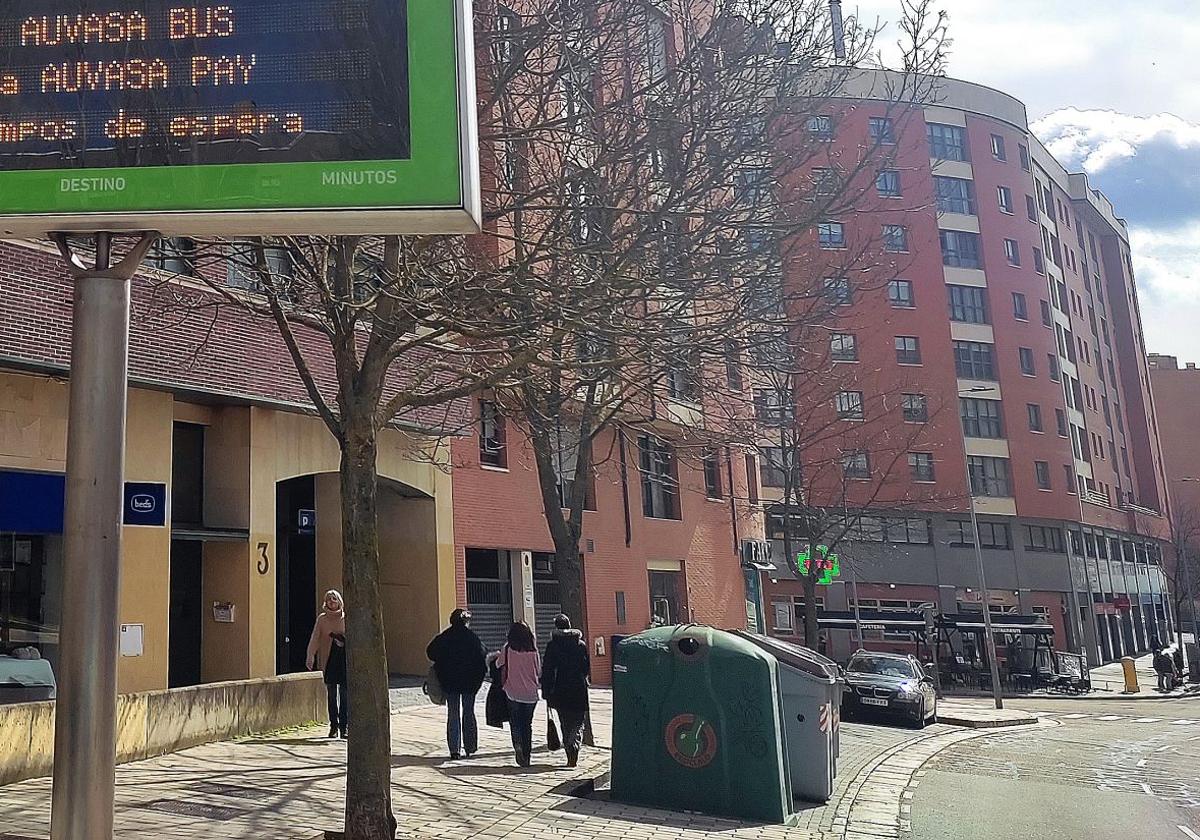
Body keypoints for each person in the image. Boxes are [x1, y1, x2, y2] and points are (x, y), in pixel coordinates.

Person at [426, 608, 488, 760]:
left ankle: (454, 749)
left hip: (449, 683)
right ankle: (470, 747)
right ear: (465, 622)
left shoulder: (445, 637)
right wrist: (478, 680)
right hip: (469, 684)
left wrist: (442, 666)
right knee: (468, 712)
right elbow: (482, 658)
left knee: (453, 714)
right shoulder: (472, 638)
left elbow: (431, 652)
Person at [541, 614, 591, 768]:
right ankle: (574, 742)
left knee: (564, 721)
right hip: (578, 688)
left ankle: (569, 750)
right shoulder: (580, 644)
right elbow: (585, 668)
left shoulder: (552, 646)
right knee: (578, 720)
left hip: (559, 689)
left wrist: (546, 691)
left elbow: (548, 670)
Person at [497, 620, 540, 766]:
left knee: (515, 723)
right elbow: (538, 671)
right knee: (527, 724)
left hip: (512, 692)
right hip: (531, 694)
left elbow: (498, 664)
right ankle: (527, 755)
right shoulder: (533, 650)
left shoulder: (508, 648)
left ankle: (518, 746)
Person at [306, 589, 348, 738]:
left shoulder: (346, 618)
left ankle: (344, 726)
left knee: (344, 694)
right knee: (331, 694)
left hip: (344, 661)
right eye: (329, 599)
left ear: (339, 601)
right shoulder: (322, 619)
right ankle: (333, 725)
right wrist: (310, 655)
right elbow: (315, 638)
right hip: (329, 661)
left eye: (334, 599)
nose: (331, 601)